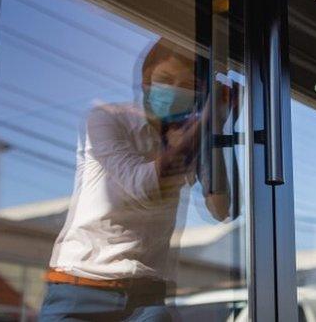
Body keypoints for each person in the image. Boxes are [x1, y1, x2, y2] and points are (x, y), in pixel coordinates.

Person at [39, 38, 231, 322]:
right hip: (81, 290)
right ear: (145, 82)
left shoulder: (190, 136)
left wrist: (215, 129)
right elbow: (143, 187)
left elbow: (221, 208)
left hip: (146, 298)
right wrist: (205, 122)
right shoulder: (106, 119)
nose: (174, 90)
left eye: (186, 85)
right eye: (165, 79)